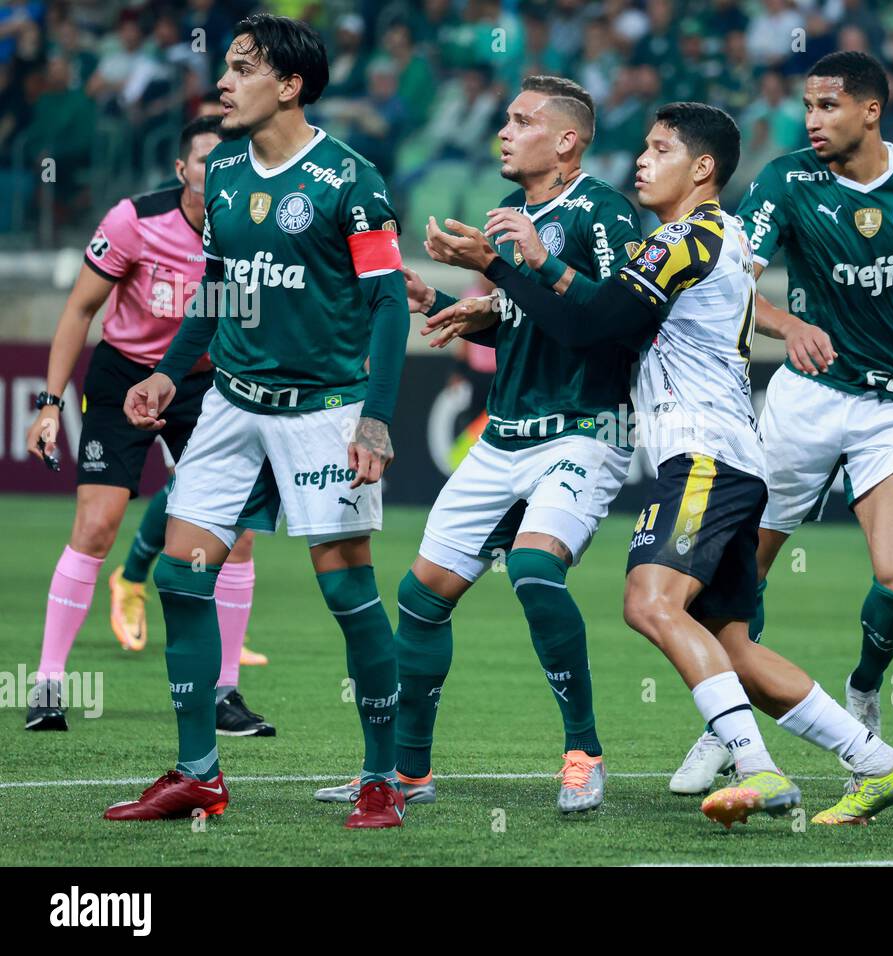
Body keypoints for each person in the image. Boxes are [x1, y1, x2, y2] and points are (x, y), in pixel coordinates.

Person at [423, 101, 893, 827]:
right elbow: (590, 316)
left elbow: (592, 325)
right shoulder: (692, 243)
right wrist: (493, 294)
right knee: (734, 647)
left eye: (659, 150)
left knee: (649, 603)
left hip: (703, 459)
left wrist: (504, 263)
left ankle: (756, 768)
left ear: (703, 168)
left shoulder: (688, 237)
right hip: (729, 460)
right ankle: (879, 762)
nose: (640, 161)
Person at [104, 14, 410, 828]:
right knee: (178, 575)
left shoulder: (352, 180)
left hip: (325, 411)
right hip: (232, 406)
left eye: (242, 69)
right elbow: (217, 290)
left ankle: (383, 778)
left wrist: (375, 419)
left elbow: (387, 304)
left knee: (348, 595)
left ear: (290, 85)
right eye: (227, 67)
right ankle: (199, 772)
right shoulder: (228, 173)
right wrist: (171, 374)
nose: (224, 82)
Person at [313, 75, 642, 813]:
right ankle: (409, 774)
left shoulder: (604, 213)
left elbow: (608, 325)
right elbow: (537, 314)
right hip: (505, 431)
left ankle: (584, 752)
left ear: (565, 139)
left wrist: (498, 271)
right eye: (504, 119)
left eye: (522, 121)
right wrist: (473, 310)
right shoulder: (512, 215)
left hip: (583, 428)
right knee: (421, 596)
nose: (503, 131)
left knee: (532, 567)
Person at [670, 51, 893, 793]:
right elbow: (732, 272)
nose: (812, 120)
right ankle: (726, 726)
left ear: (871, 111)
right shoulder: (786, 180)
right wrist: (785, 326)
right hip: (805, 399)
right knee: (742, 574)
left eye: (828, 106)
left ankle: (864, 690)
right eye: (808, 106)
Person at [23, 114, 272, 738]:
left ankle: (223, 693)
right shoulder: (133, 220)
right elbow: (80, 308)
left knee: (236, 534)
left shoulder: (250, 227)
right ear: (181, 169)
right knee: (97, 524)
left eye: (227, 163)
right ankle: (48, 684)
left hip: (204, 383)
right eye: (204, 163)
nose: (215, 174)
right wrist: (49, 403)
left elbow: (246, 313)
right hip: (123, 375)